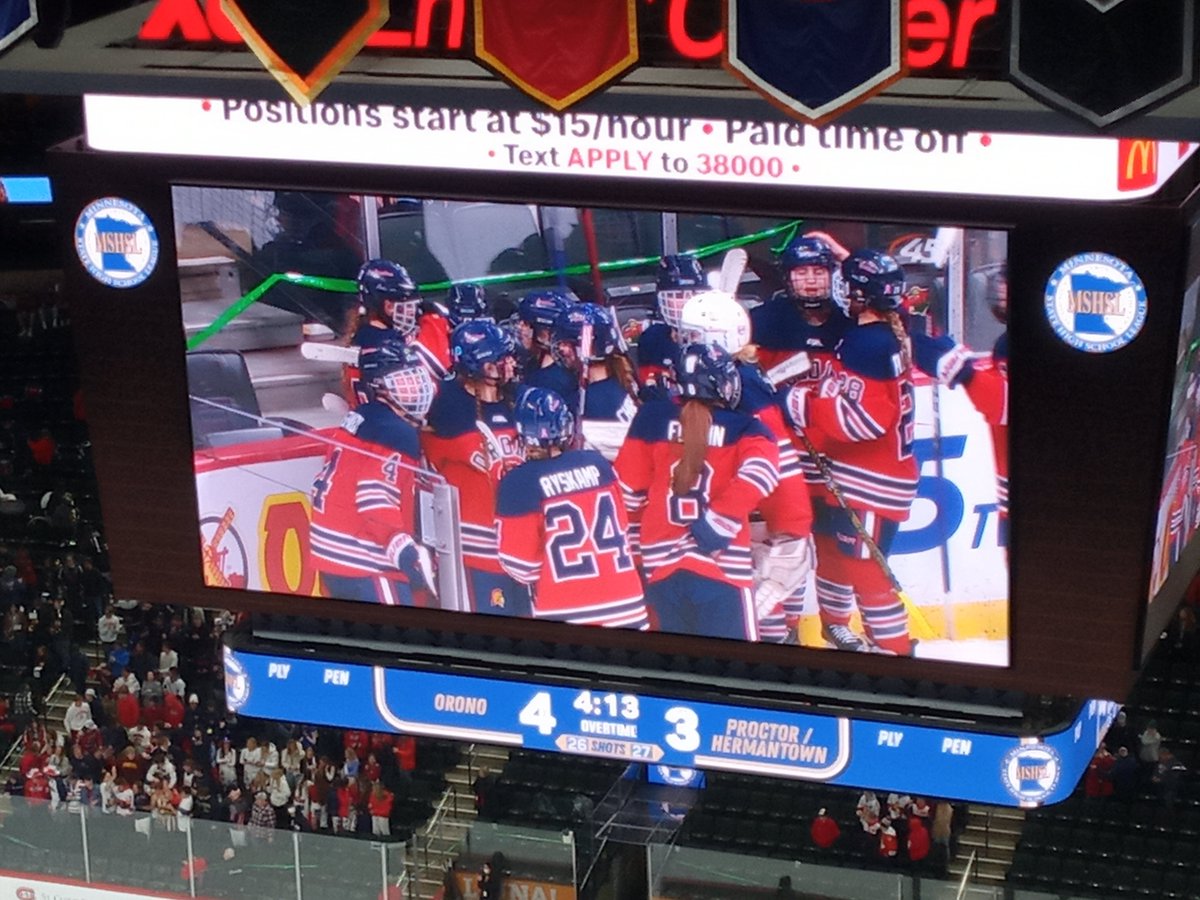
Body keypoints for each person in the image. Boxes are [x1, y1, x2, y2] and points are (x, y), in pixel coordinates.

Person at [783, 249, 918, 655]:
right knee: (832, 551)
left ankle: (894, 649)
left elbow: (862, 422)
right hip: (855, 477)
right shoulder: (877, 337)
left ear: (860, 293)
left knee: (866, 570)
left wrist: (799, 403)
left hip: (873, 484)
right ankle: (836, 626)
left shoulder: (867, 343)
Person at [615, 343, 780, 639]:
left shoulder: (650, 419)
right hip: (722, 566)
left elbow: (627, 494)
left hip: (661, 567)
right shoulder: (745, 427)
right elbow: (761, 475)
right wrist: (718, 523)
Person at [678, 289, 814, 642]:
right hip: (756, 522)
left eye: (691, 335)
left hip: (763, 527)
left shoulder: (741, 390)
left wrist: (788, 531)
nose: (683, 342)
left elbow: (774, 464)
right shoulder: (739, 377)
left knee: (755, 625)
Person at [496, 387, 648, 628]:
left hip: (565, 610)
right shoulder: (599, 464)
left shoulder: (519, 482)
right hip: (629, 605)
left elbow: (522, 568)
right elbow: (624, 524)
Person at [310, 338, 437, 605]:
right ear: (378, 385)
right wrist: (407, 556)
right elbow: (374, 500)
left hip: (330, 554)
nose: (414, 385)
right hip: (365, 560)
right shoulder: (396, 432)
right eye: (403, 377)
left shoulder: (362, 415)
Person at [424, 320, 530, 616]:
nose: (506, 364)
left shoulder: (519, 400)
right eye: (496, 359)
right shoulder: (448, 410)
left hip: (523, 548)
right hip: (477, 553)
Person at [347, 259, 450, 406]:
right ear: (388, 306)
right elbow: (441, 371)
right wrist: (434, 321)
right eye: (407, 306)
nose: (413, 311)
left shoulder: (362, 334)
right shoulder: (389, 346)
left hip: (372, 415)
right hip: (401, 418)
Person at [548, 302, 640, 461]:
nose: (561, 349)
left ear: (584, 346)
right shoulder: (623, 384)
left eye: (566, 343)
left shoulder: (584, 401)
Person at [636, 254, 708, 399]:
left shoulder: (717, 337)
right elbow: (649, 390)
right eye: (678, 296)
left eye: (693, 294)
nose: (685, 302)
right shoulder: (652, 338)